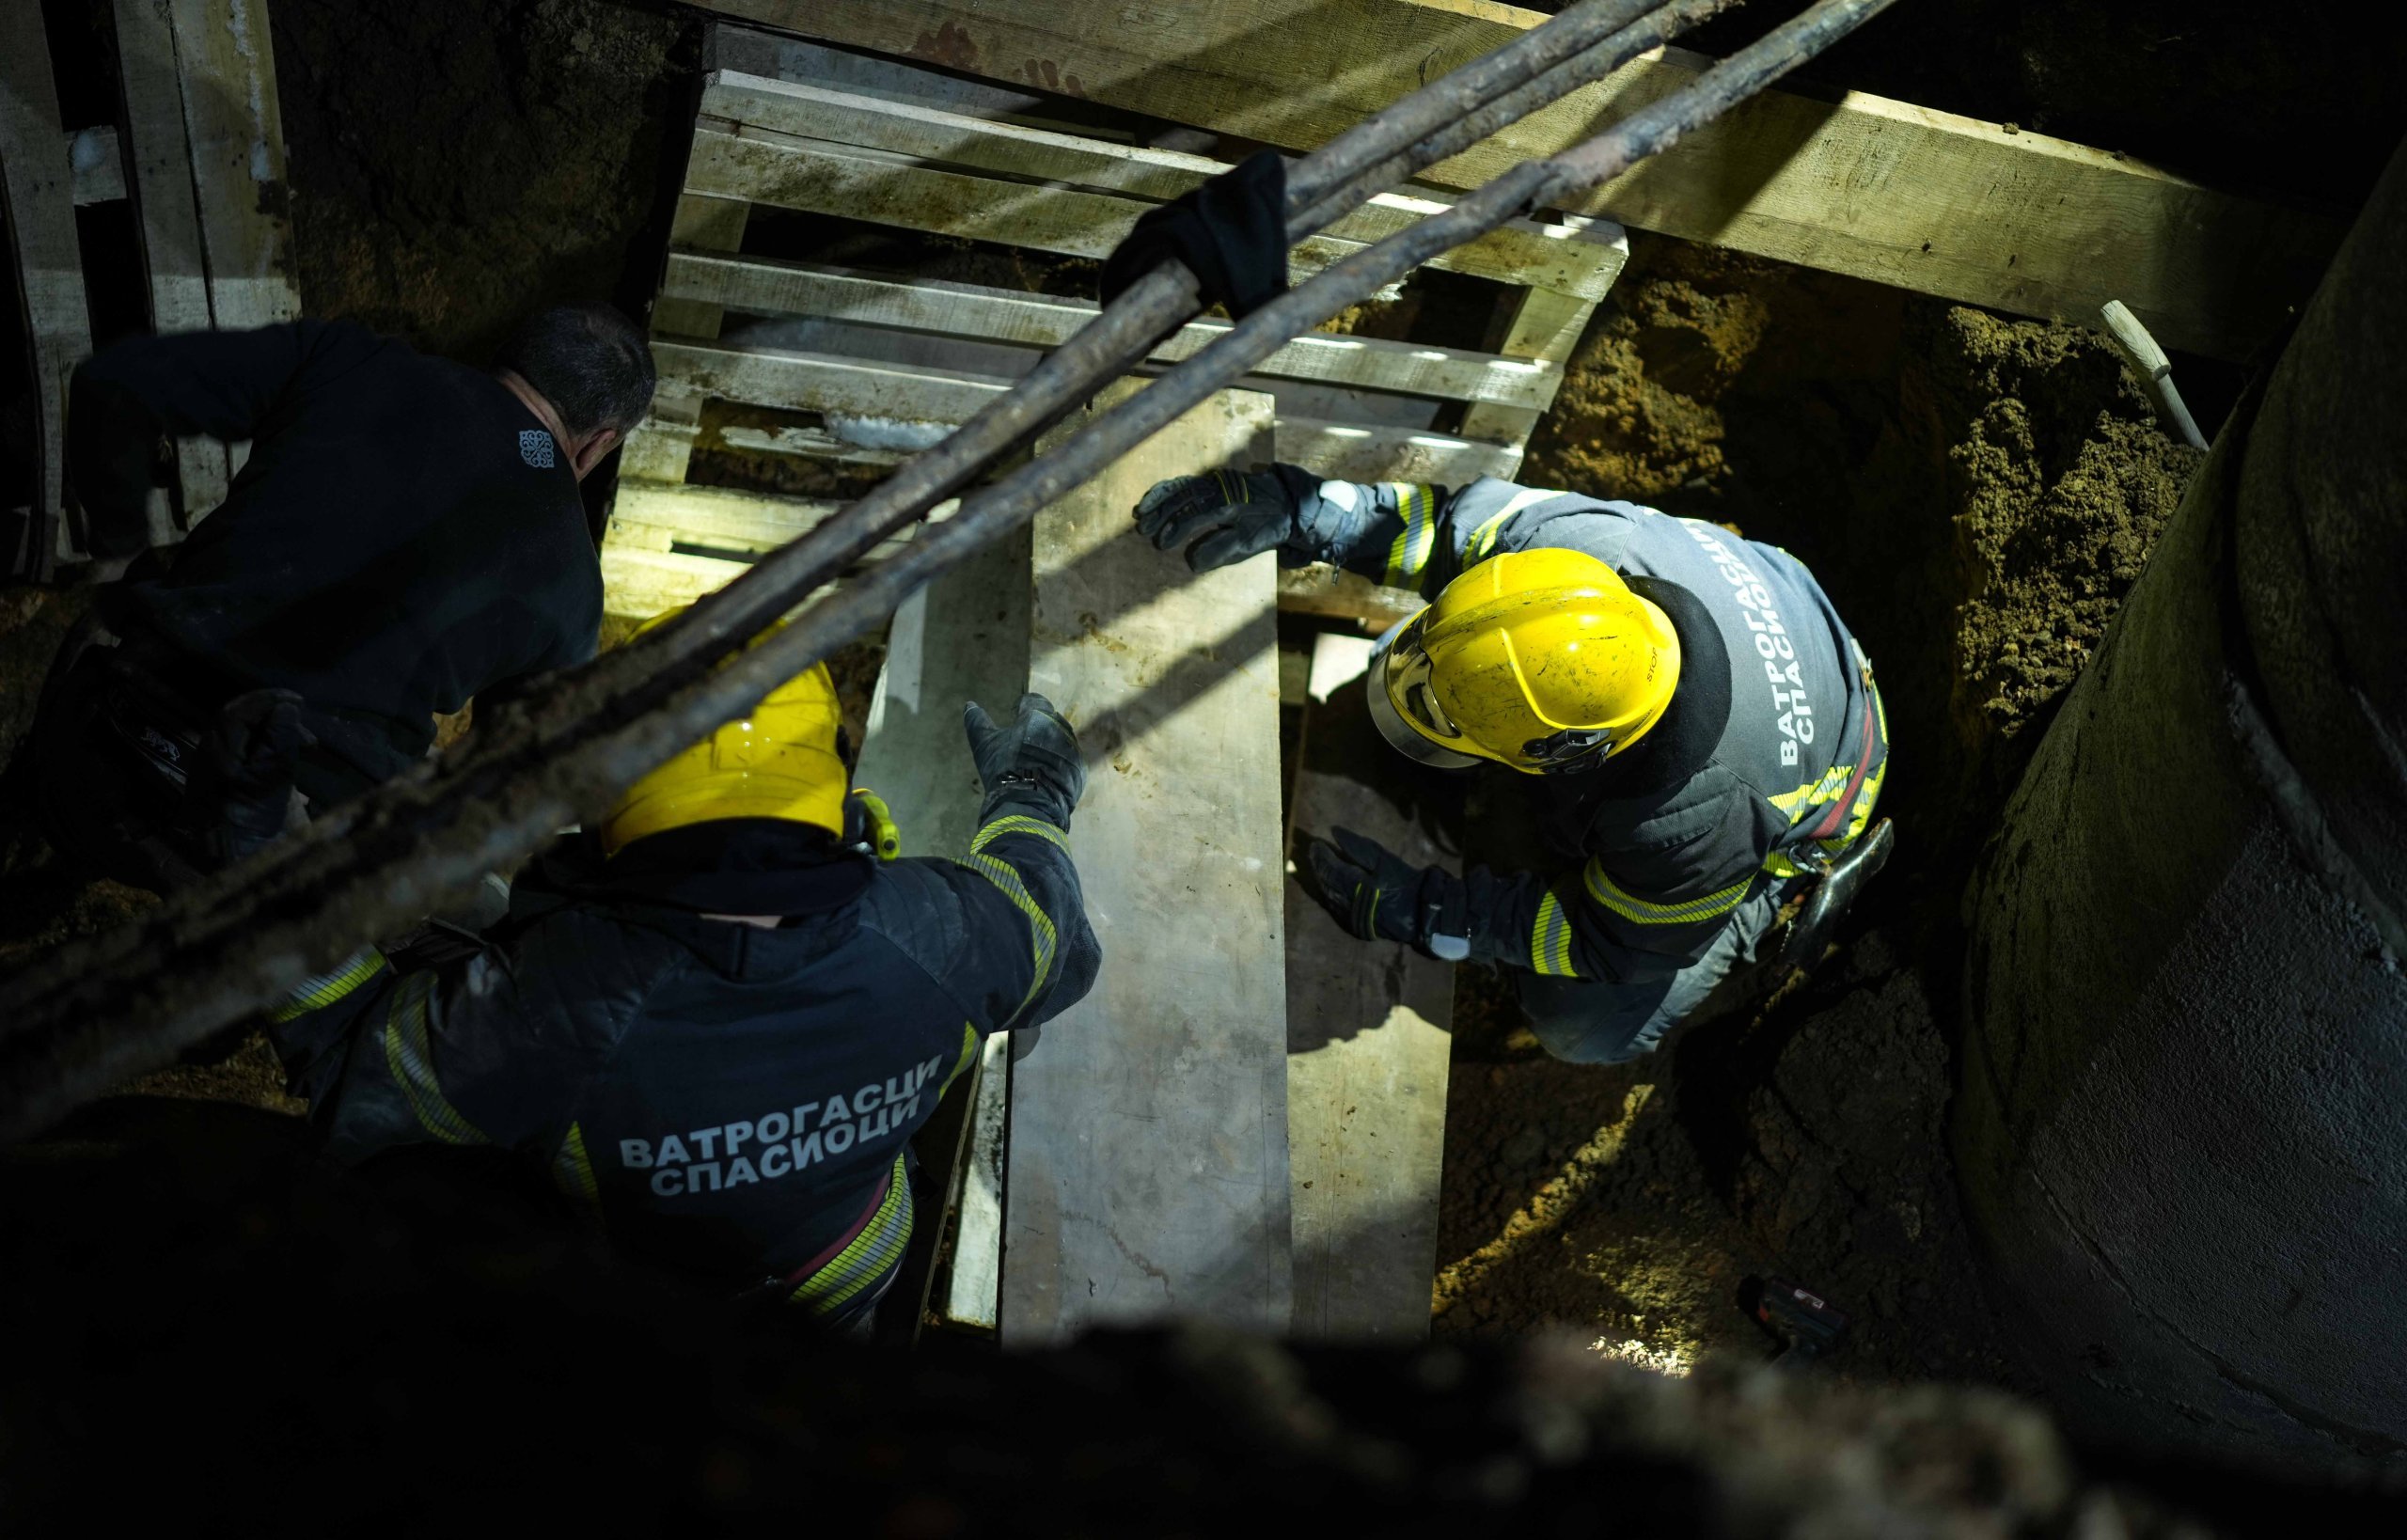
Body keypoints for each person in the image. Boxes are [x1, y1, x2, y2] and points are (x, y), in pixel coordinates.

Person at [263, 624, 1097, 1329]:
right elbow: (1053, 927)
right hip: (848, 1273)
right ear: (827, 778)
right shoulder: (939, 930)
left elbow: (354, 1068)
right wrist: (1033, 788)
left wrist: (265, 870)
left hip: (635, 1304)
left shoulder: (556, 1002)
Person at [1135, 467, 1891, 1065]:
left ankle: (1769, 920)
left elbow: (1611, 943)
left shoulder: (1694, 823)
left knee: (1580, 1025)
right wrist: (1310, 511)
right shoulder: (1569, 554)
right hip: (1784, 626)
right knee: (1409, 674)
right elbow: (1444, 529)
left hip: (1808, 795)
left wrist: (1442, 916)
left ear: (1574, 752)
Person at [24, 305, 654, 887]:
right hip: (276, 844)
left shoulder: (349, 357)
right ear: (601, 441)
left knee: (143, 590)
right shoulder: (573, 577)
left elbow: (134, 381)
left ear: (504, 352)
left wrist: (118, 550)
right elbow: (513, 775)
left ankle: (29, 810)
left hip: (115, 728)